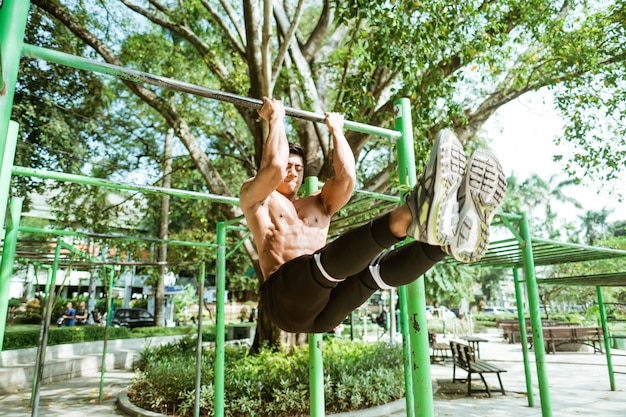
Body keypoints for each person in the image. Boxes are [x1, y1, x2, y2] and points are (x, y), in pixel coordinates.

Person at [239, 97, 506, 334]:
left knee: (372, 275)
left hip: (324, 308)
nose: (292, 172)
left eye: (298, 168)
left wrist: (337, 131)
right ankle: (412, 212)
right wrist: (276, 118)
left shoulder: (318, 203)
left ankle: (446, 244)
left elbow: (347, 179)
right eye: (289, 165)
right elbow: (272, 167)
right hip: (285, 300)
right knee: (322, 264)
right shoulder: (259, 198)